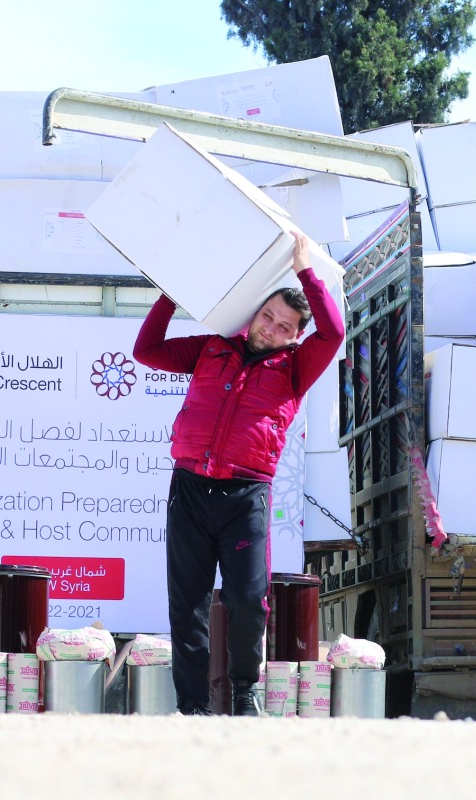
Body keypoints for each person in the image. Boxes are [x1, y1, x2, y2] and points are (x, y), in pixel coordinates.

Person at [133, 232, 345, 716]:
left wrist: (305, 270)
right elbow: (147, 351)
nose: (270, 327)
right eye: (267, 316)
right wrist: (170, 295)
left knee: (248, 599)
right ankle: (192, 706)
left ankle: (245, 691)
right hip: (189, 489)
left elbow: (332, 332)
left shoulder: (296, 368)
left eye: (283, 325)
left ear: (295, 336)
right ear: (254, 314)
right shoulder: (211, 348)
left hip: (246, 494)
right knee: (186, 605)